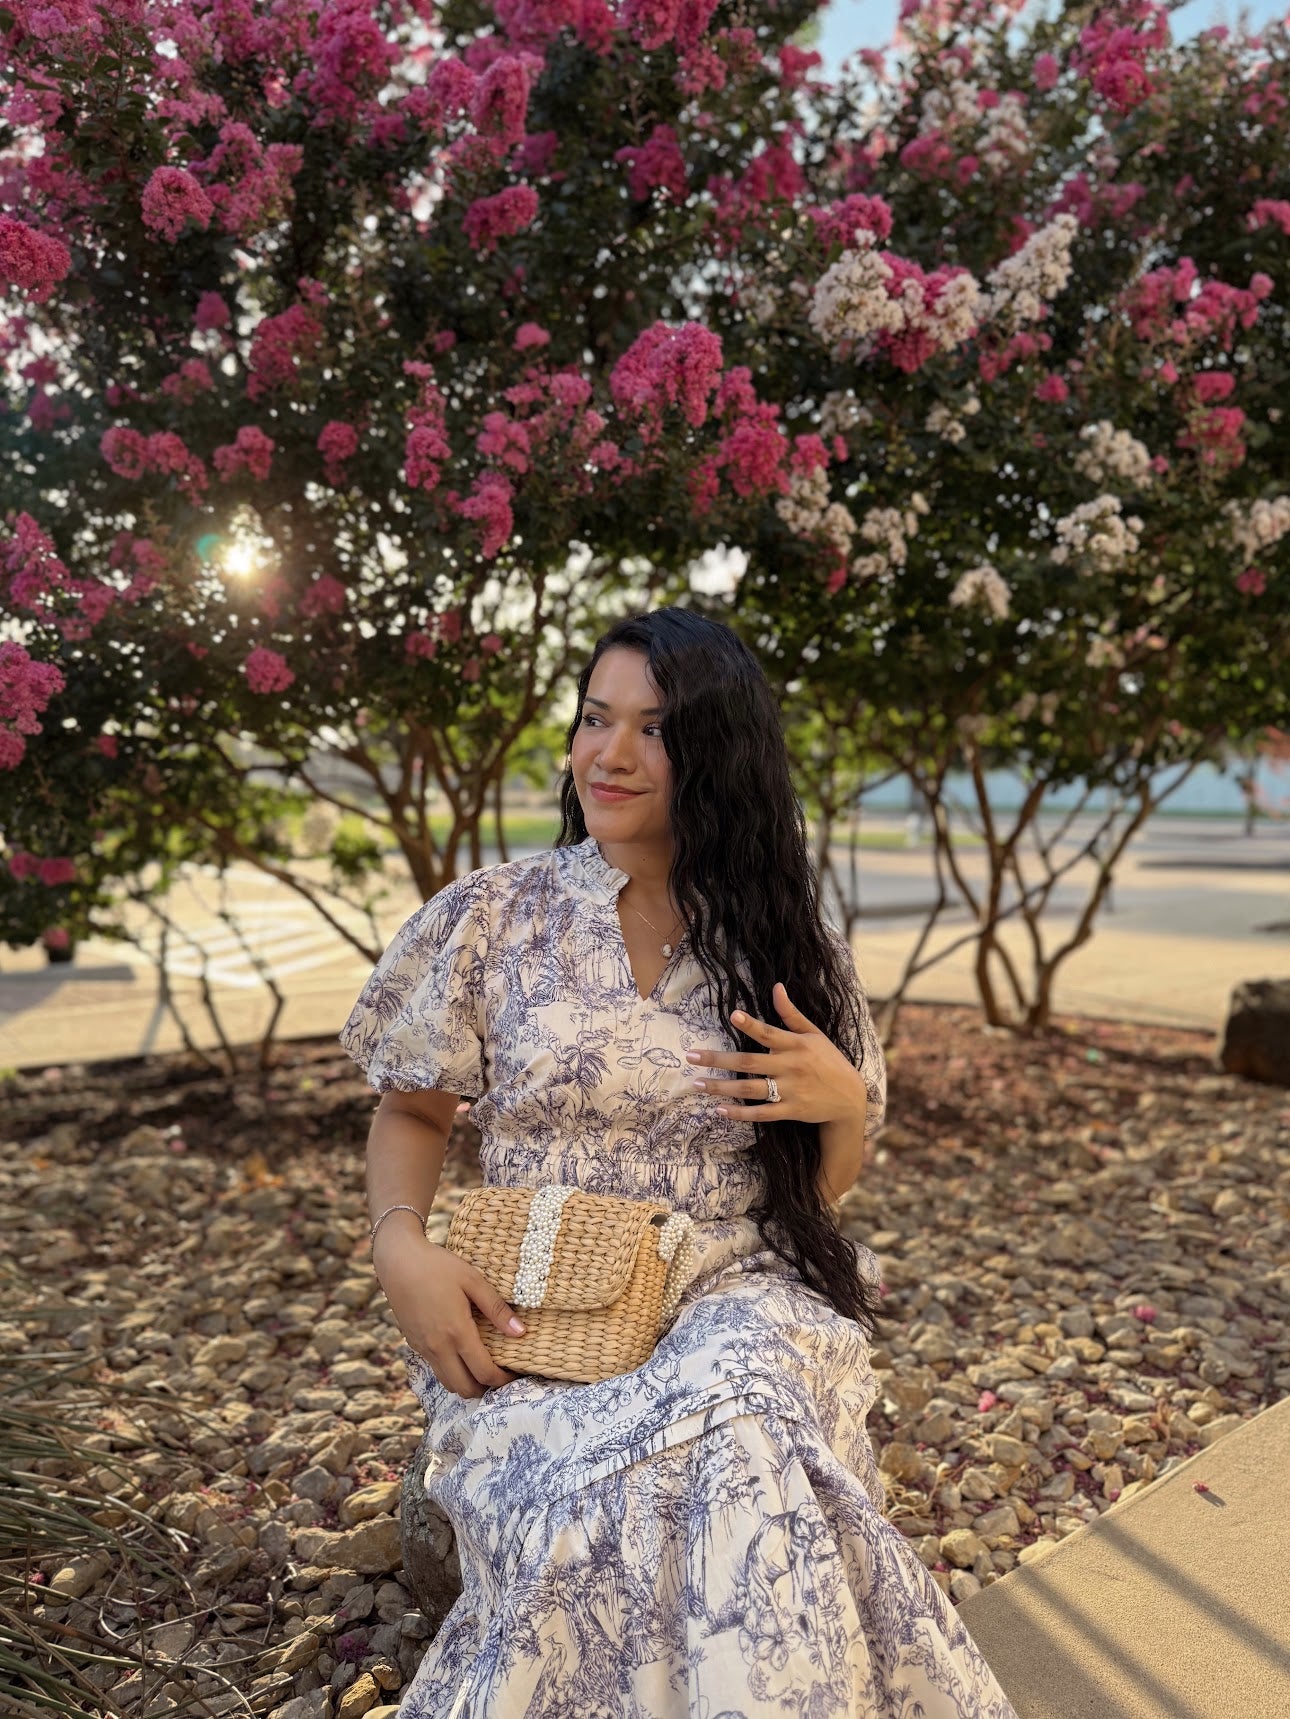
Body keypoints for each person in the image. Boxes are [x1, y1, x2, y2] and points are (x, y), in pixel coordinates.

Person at [341, 607, 1017, 1718]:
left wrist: (842, 1104)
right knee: (605, 1501)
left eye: (653, 729)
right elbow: (413, 1112)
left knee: (740, 1431)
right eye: (594, 719)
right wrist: (401, 1250)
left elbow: (815, 1189)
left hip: (730, 1291)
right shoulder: (495, 918)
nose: (609, 754)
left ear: (718, 752)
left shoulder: (782, 942)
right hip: (543, 1311)